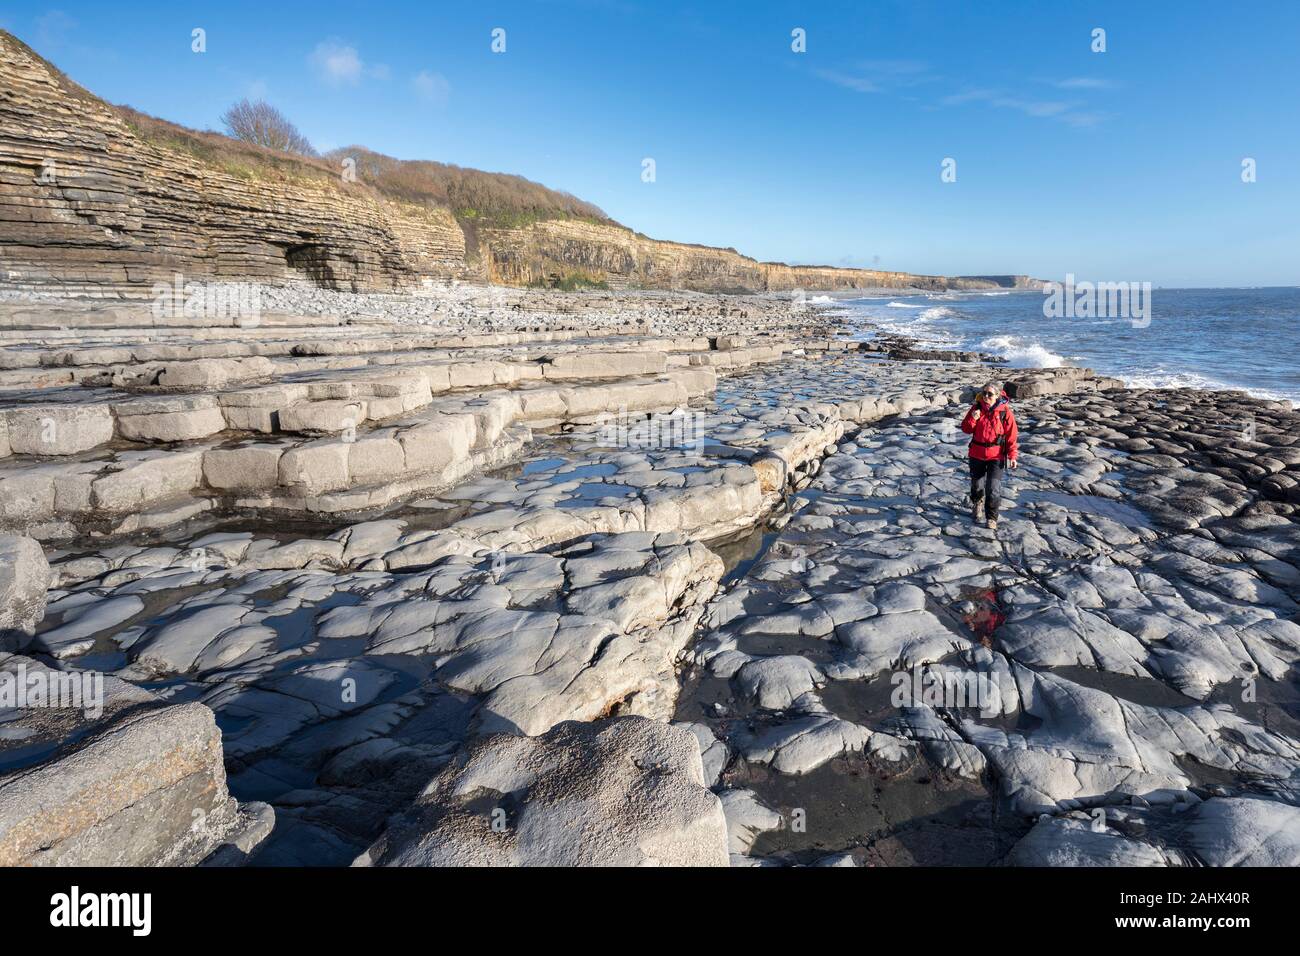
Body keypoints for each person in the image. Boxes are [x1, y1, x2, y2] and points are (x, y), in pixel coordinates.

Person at [960, 380, 1018, 529]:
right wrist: (973, 418)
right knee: (977, 485)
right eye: (984, 393)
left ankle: (991, 518)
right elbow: (966, 429)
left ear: (997, 396)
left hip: (996, 456)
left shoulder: (1005, 412)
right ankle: (977, 503)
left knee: (993, 488)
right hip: (976, 453)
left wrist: (1012, 456)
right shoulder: (976, 408)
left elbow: (1011, 435)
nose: (986, 396)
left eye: (990, 394)